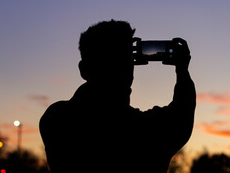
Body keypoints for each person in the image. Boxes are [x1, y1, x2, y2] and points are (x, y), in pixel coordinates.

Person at [39, 20, 196, 173]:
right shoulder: (146, 131)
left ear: (83, 69)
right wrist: (182, 70)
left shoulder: (56, 118)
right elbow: (182, 115)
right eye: (126, 61)